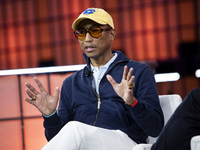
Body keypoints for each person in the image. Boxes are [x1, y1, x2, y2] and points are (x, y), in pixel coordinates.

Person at [25, 8, 164, 149]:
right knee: (73, 131)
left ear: (112, 34)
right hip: (85, 144)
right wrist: (50, 116)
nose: (87, 39)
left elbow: (155, 128)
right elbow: (58, 140)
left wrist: (132, 103)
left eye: (95, 31)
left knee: (75, 130)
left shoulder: (137, 72)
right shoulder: (71, 83)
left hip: (126, 143)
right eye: (81, 33)